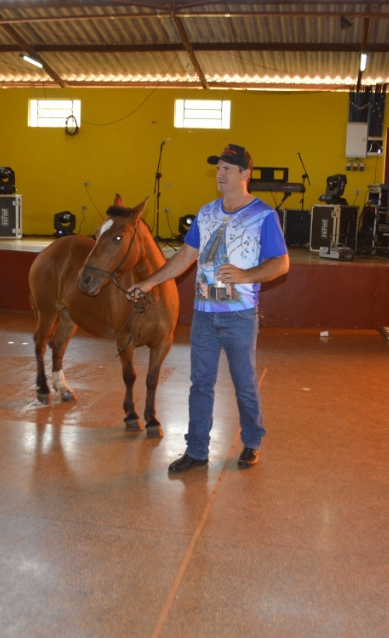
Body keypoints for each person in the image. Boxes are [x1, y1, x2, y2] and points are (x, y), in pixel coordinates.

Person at [127, 143, 289, 472]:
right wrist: (148, 283)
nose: (220, 173)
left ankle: (252, 441)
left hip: (240, 318)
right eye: (218, 167)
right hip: (204, 315)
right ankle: (197, 450)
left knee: (244, 383)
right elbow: (186, 257)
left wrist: (246, 275)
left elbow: (282, 264)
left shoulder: (263, 215)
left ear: (245, 174)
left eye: (227, 168)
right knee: (200, 384)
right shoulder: (206, 213)